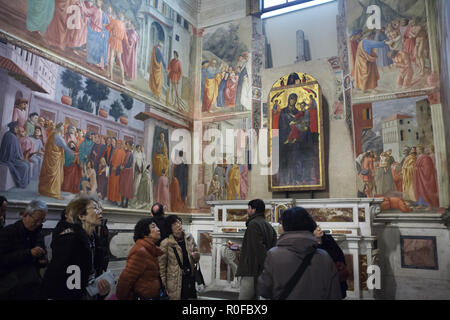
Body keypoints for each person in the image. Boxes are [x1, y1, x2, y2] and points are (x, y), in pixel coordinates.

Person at [257, 207, 342, 300]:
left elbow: (264, 290)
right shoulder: (324, 257)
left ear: (285, 227)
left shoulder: (274, 255)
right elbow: (334, 293)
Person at [42, 196, 111, 300]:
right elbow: (57, 277)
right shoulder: (70, 239)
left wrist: (101, 291)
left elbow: (96, 270)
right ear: (81, 216)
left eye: (100, 208)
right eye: (95, 208)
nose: (100, 211)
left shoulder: (94, 240)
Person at [0, 200, 48, 299]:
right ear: (25, 215)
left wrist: (42, 260)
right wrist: (29, 253)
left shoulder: (38, 233)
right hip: (11, 285)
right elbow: (2, 260)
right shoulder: (8, 232)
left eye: (42, 221)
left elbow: (42, 256)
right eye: (37, 220)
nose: (39, 224)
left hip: (31, 283)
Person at [236, 199, 277, 300]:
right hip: (261, 270)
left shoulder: (253, 224)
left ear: (254, 210)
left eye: (249, 208)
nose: (247, 210)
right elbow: (271, 247)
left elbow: (258, 249)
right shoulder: (269, 226)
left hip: (251, 269)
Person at [116, 218, 164, 300]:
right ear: (145, 233)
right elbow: (126, 280)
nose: (158, 229)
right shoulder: (140, 251)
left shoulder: (150, 249)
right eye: (153, 227)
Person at [159, 215, 200, 300]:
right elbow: (161, 267)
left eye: (179, 222)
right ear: (170, 227)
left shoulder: (189, 237)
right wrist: (164, 285)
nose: (178, 225)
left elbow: (197, 253)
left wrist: (196, 255)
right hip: (174, 282)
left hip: (189, 277)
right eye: (174, 224)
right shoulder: (166, 243)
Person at [39, 123, 73, 200]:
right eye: (62, 128)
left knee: (48, 175)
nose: (63, 129)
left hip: (49, 158)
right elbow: (66, 148)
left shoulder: (52, 135)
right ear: (60, 129)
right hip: (55, 159)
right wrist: (75, 154)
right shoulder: (59, 138)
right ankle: (54, 193)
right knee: (56, 176)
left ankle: (44, 191)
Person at [313, 226, 349, 299]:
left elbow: (340, 254)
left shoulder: (328, 238)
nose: (319, 229)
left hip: (337, 273)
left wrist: (341, 265)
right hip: (323, 279)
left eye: (318, 226)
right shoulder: (310, 245)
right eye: (315, 228)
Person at [0, 122, 31, 188]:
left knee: (27, 163)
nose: (17, 129)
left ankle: (26, 182)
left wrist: (20, 157)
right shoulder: (10, 136)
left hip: (14, 157)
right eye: (16, 128)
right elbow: (11, 151)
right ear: (12, 128)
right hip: (9, 158)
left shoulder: (12, 135)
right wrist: (20, 158)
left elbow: (17, 150)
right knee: (24, 166)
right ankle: (22, 183)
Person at [105, 12, 129, 84]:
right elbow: (125, 37)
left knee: (111, 58)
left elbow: (107, 28)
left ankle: (111, 77)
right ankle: (123, 80)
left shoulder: (114, 22)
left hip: (114, 40)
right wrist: (128, 44)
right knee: (120, 60)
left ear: (118, 17)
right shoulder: (123, 25)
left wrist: (105, 26)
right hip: (119, 43)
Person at [414, 145, 439, 210]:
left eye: (417, 149)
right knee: (419, 190)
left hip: (425, 178)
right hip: (419, 178)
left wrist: (418, 169)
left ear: (421, 150)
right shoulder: (418, 157)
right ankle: (421, 204)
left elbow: (427, 169)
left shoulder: (426, 158)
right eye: (416, 149)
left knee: (426, 190)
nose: (416, 151)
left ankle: (429, 205)